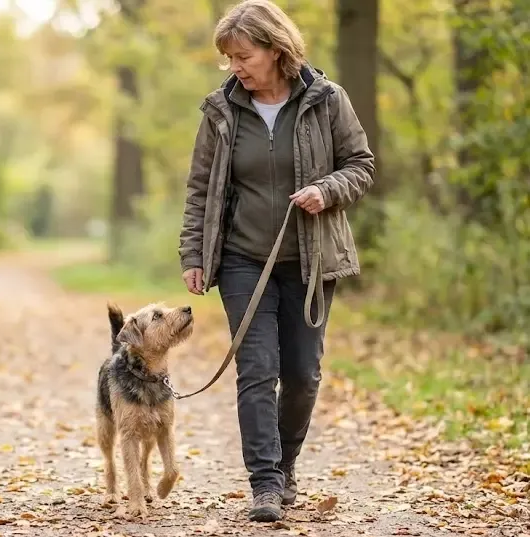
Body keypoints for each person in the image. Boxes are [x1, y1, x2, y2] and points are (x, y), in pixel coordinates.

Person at [177, 0, 375, 523]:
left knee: (303, 374)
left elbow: (361, 165)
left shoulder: (327, 100)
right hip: (243, 260)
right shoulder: (220, 112)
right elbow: (201, 190)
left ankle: (286, 466)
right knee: (257, 370)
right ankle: (264, 483)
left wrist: (326, 190)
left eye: (243, 55)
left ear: (275, 48)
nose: (236, 67)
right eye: (229, 59)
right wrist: (194, 254)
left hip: (311, 260)